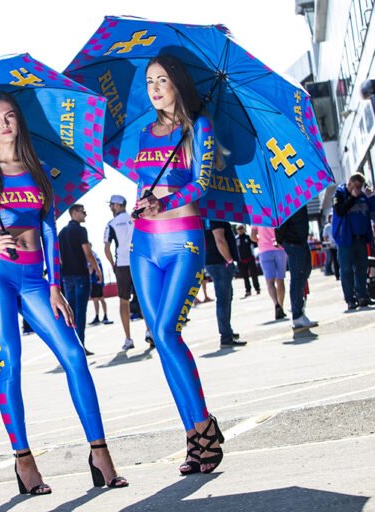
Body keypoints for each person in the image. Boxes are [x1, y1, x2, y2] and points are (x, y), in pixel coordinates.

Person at [0, 91, 127, 495]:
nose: (4, 124)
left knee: (73, 355)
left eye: (10, 116)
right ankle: (24, 460)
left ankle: (99, 453)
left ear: (19, 121)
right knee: (11, 363)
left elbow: (49, 229)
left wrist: (54, 285)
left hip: (36, 278)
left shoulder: (39, 171)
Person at [131, 55, 226, 475]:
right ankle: (192, 436)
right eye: (149, 80)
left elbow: (201, 184)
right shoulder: (142, 133)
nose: (154, 87)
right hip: (143, 245)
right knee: (160, 339)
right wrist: (141, 204)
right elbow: (141, 183)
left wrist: (164, 200)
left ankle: (204, 426)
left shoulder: (198, 128)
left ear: (177, 84)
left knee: (169, 332)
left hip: (184, 239)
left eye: (162, 79)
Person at [103, 194, 152, 350]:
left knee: (124, 301)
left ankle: (128, 338)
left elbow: (106, 248)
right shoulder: (134, 218)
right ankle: (149, 331)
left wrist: (113, 265)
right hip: (139, 262)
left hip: (123, 265)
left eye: (111, 204)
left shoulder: (111, 223)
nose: (110, 207)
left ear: (118, 205)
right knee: (144, 299)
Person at [59, 204, 103, 355]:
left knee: (70, 313)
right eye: (83, 212)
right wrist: (97, 270)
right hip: (80, 275)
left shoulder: (62, 232)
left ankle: (71, 346)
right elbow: (88, 253)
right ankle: (80, 346)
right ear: (75, 213)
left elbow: (58, 257)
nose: (85, 214)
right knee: (80, 312)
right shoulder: (80, 230)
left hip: (67, 277)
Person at [332, 172, 375, 310]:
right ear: (349, 184)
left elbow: (371, 209)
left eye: (360, 187)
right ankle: (350, 299)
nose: (358, 189)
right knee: (346, 270)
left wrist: (370, 196)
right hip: (346, 240)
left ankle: (363, 296)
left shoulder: (362, 197)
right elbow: (340, 210)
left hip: (360, 239)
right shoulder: (340, 194)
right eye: (355, 186)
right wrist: (352, 198)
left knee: (362, 269)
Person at [204, 221, 246, 347]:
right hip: (220, 262)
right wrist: (230, 261)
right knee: (223, 300)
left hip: (213, 261)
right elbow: (220, 240)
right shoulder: (214, 215)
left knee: (225, 299)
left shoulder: (206, 216)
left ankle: (227, 331)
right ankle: (226, 336)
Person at [276, 205, 318, 330]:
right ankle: (297, 314)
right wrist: (279, 240)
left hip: (301, 241)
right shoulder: (285, 199)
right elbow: (279, 223)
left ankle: (298, 308)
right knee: (297, 277)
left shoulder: (300, 198)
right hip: (293, 242)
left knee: (305, 271)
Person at [251, 225, 288, 320]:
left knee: (269, 281)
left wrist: (261, 239)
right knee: (280, 280)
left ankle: (276, 304)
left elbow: (253, 236)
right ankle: (281, 306)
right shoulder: (275, 213)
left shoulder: (257, 216)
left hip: (264, 250)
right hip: (278, 248)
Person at [88, 245, 113, 326]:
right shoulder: (95, 255)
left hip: (95, 281)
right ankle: (103, 316)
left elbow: (91, 270)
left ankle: (99, 316)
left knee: (97, 299)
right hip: (99, 281)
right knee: (101, 299)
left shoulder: (91, 256)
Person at [234, 224, 261, 298]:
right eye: (239, 229)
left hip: (250, 258)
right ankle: (248, 290)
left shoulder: (248, 237)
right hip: (241, 261)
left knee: (254, 275)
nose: (240, 230)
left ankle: (257, 288)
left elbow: (255, 244)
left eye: (241, 228)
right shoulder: (236, 239)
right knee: (245, 276)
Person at [322, 214, 340, 280]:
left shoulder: (337, 223)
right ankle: (336, 274)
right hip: (331, 245)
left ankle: (339, 273)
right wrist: (327, 244)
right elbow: (325, 236)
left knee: (339, 259)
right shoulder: (327, 227)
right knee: (334, 260)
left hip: (338, 244)